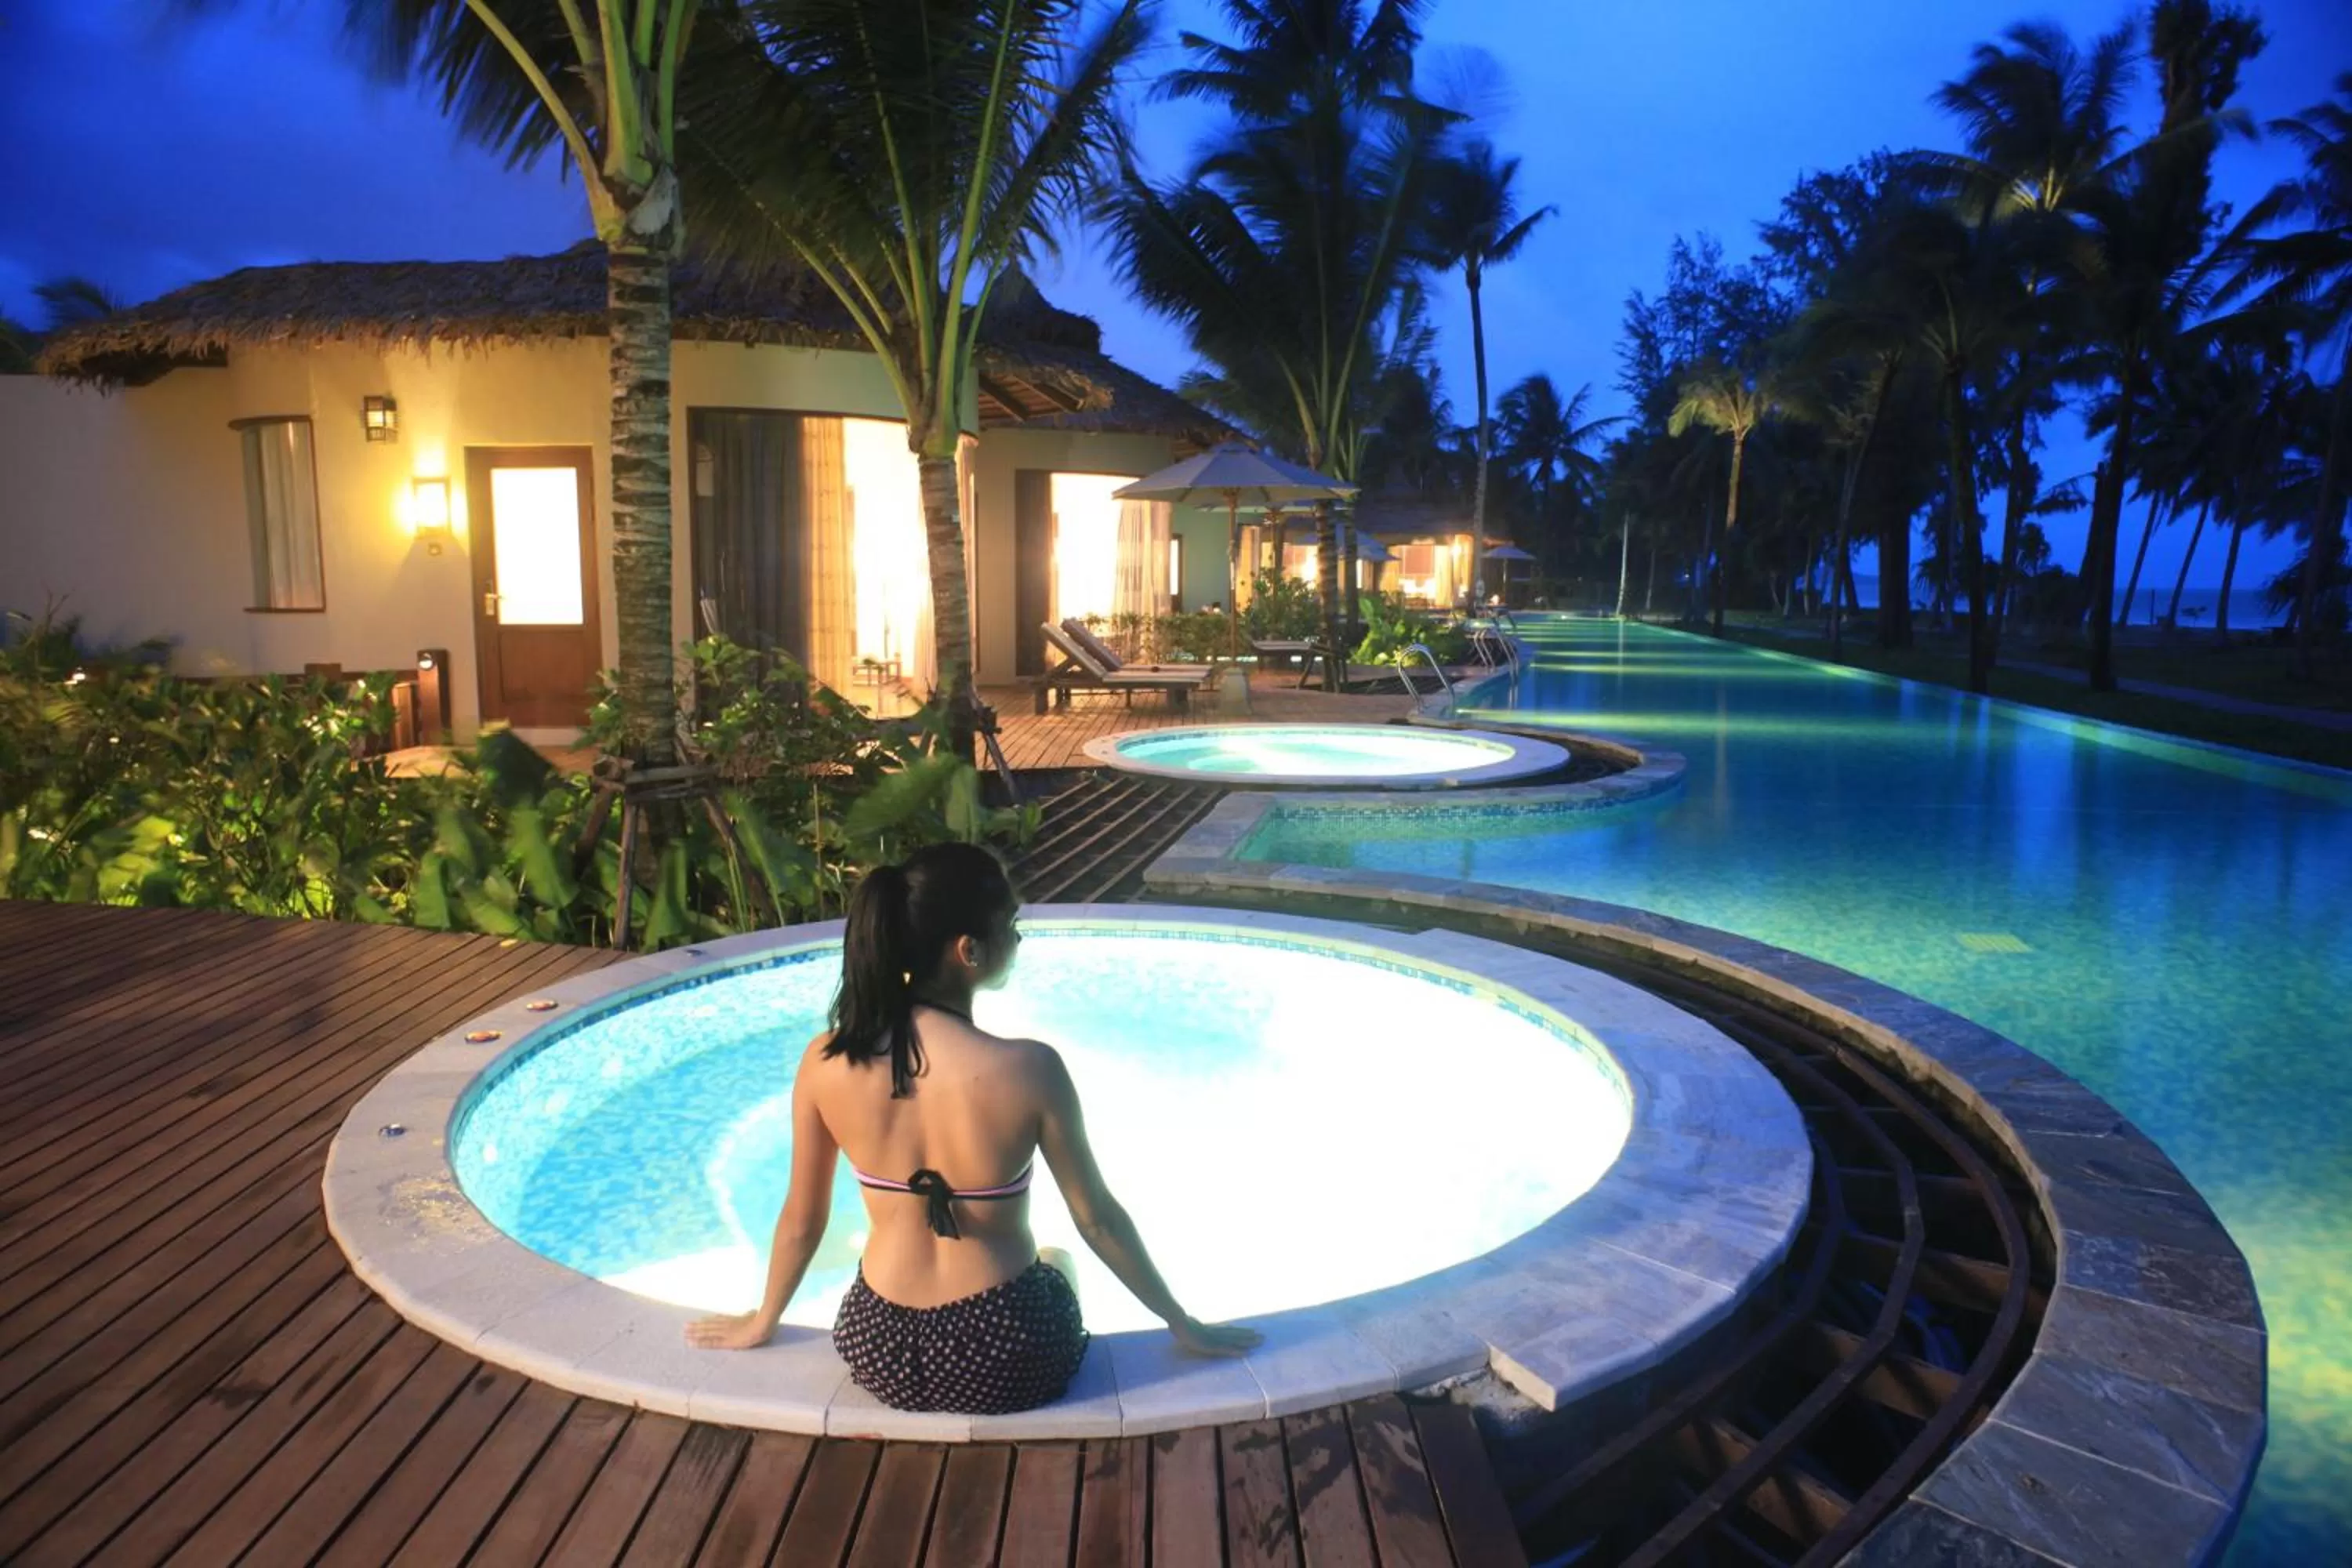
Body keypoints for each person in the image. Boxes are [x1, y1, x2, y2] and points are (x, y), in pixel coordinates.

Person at [686, 843, 1260, 1413]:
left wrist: (763, 1319)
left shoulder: (825, 1060)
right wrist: (1181, 1323)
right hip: (1007, 1356)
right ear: (969, 950)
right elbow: (1098, 1220)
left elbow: (801, 1220)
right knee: (1060, 1257)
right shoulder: (1029, 1068)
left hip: (881, 1348)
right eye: (1010, 925)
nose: (1017, 939)